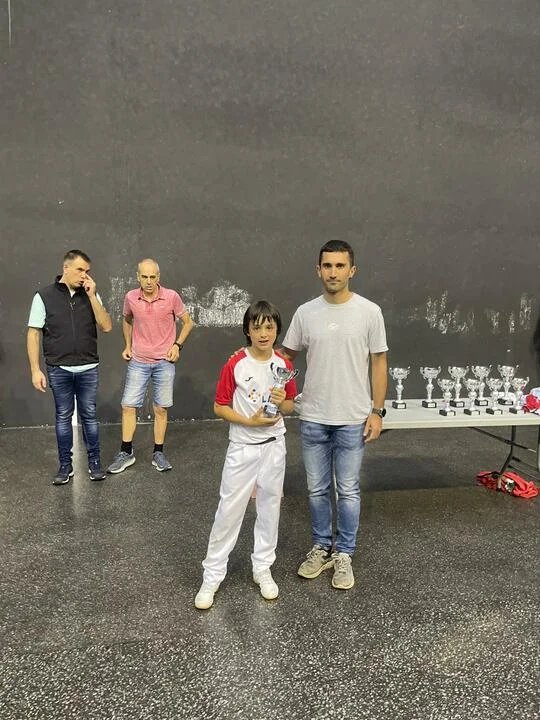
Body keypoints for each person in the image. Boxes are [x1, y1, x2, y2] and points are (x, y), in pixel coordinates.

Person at [281, 239, 388, 591]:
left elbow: (379, 362)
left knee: (348, 490)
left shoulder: (369, 312)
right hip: (313, 416)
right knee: (316, 489)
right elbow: (285, 356)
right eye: (327, 266)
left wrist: (376, 411)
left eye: (340, 266)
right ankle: (321, 546)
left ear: (352, 270)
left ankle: (344, 553)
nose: (333, 272)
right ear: (318, 270)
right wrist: (249, 358)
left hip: (353, 418)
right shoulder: (305, 313)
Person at [195, 300, 298, 610]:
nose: (263, 333)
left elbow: (290, 406)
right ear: (248, 331)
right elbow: (219, 406)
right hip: (242, 447)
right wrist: (248, 422)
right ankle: (212, 575)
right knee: (228, 511)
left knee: (269, 508)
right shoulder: (236, 364)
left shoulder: (283, 365)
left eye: (269, 327)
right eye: (257, 327)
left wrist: (282, 401)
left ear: (277, 330)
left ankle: (262, 568)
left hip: (274, 446)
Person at [27, 249, 113, 485]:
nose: (84, 275)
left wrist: (93, 296)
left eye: (87, 271)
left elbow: (106, 326)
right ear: (65, 268)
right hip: (59, 368)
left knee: (90, 416)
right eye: (80, 270)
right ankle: (65, 466)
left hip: (88, 367)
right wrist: (35, 369)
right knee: (63, 417)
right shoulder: (44, 296)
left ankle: (95, 463)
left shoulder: (91, 295)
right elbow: (33, 333)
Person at [106, 259, 194, 474]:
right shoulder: (131, 297)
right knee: (128, 406)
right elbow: (126, 319)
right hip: (138, 360)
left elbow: (188, 322)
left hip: (164, 361)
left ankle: (158, 453)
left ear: (158, 277)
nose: (148, 281)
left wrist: (177, 345)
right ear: (138, 277)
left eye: (152, 277)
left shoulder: (171, 297)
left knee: (160, 409)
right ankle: (126, 452)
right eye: (144, 277)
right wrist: (128, 345)